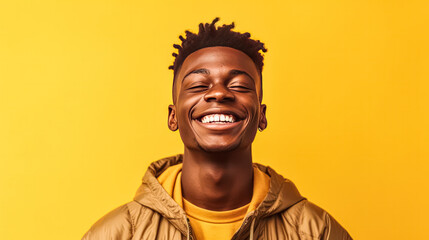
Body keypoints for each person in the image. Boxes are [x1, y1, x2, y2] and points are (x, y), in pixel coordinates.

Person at [82, 18, 352, 240]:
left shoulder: (317, 232)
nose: (219, 93)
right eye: (199, 86)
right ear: (173, 117)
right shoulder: (117, 234)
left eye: (239, 86)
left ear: (262, 116)